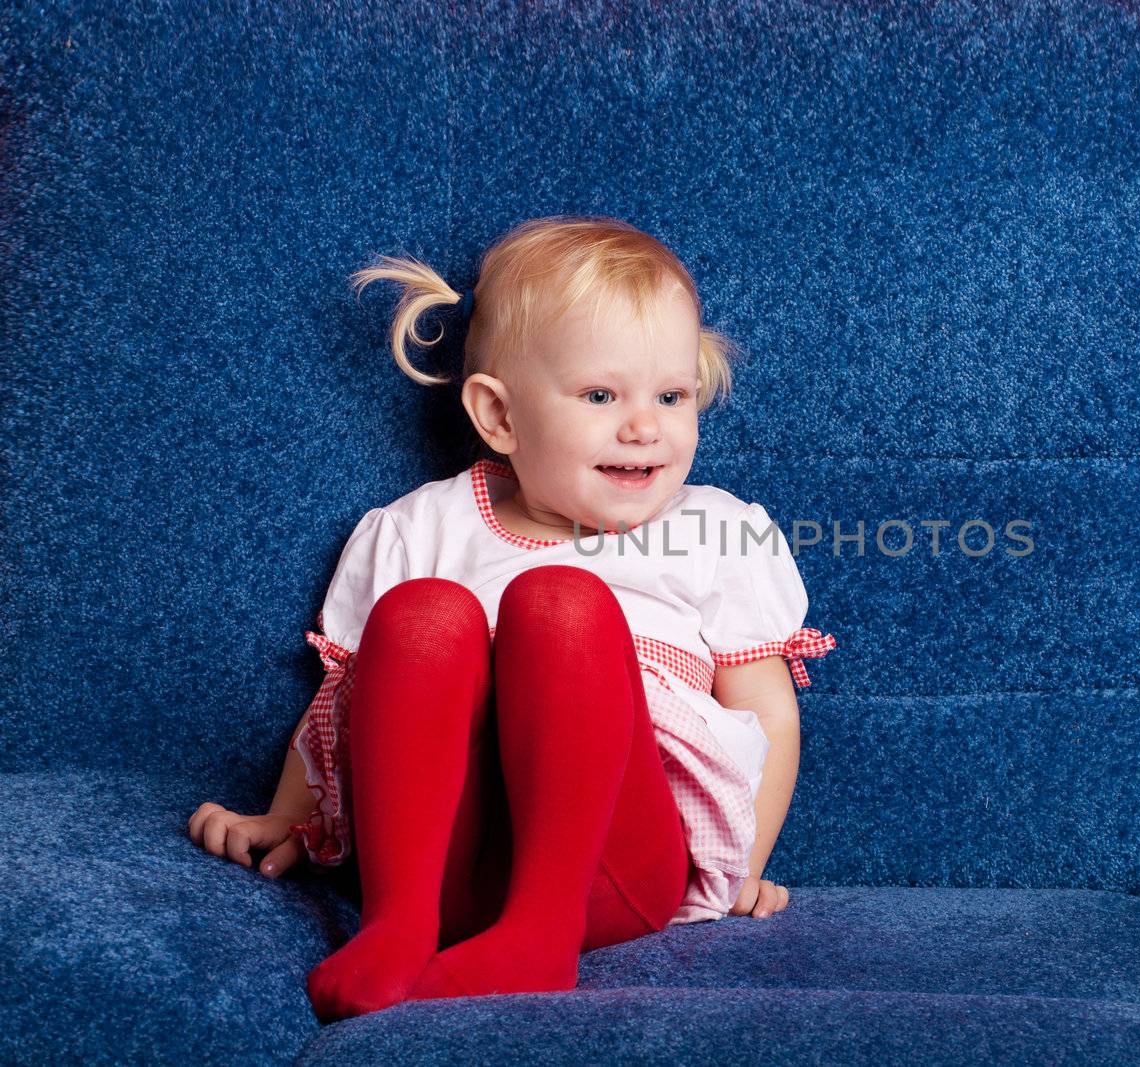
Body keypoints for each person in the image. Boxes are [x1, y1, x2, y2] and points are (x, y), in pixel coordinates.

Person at [186, 216, 837, 1023]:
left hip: (612, 864)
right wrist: (290, 816)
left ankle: (540, 928)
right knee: (422, 614)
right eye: (601, 395)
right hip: (445, 863)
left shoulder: (717, 531)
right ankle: (399, 925)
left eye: (672, 395)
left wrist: (743, 862)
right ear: (498, 417)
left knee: (556, 602)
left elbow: (765, 707)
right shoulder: (420, 527)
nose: (645, 425)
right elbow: (342, 700)